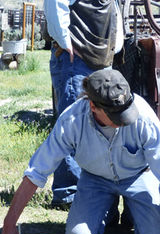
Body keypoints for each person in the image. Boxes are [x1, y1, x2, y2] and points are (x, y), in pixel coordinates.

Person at [0, 69, 160, 234]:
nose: (124, 120)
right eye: (116, 115)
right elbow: (36, 172)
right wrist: (9, 226)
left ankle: (133, 209)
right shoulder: (71, 121)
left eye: (126, 111)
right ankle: (108, 210)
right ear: (93, 106)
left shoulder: (144, 118)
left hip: (139, 175)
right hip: (95, 179)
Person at [44, 0, 124, 208]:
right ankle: (69, 192)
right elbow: (56, 3)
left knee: (96, 125)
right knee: (72, 124)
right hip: (76, 59)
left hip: (98, 59)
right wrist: (64, 41)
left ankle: (87, 189)